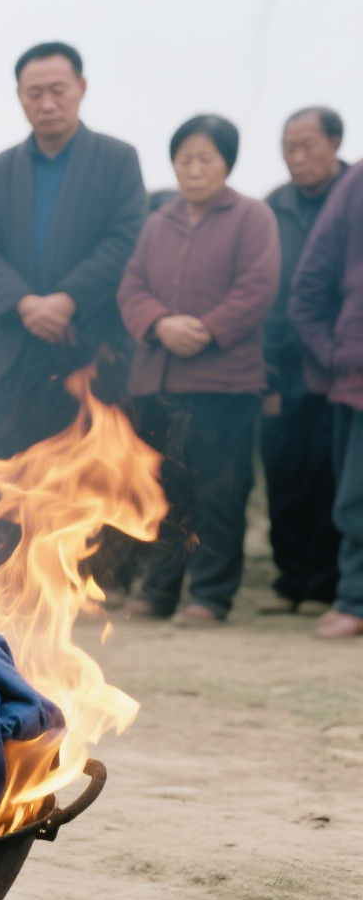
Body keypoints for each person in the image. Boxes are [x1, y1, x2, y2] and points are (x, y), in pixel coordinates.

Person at [118, 116, 280, 623]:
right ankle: (159, 589)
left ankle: (209, 596)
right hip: (158, 380)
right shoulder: (157, 222)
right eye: (184, 159)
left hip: (223, 382)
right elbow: (132, 287)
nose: (194, 169)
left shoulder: (252, 216)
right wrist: (160, 323)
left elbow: (258, 287)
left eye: (205, 158)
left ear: (226, 162)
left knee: (220, 492)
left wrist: (206, 330)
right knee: (163, 491)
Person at [0, 42, 146, 459]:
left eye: (58, 89)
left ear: (81, 87)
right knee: (12, 491)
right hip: (14, 353)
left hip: (92, 350)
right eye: (34, 92)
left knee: (94, 491)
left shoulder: (117, 159)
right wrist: (26, 304)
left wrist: (66, 300)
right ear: (19, 97)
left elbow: (126, 239)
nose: (47, 103)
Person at [261, 107, 347, 614]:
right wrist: (267, 375)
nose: (297, 158)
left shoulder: (353, 197)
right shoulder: (273, 207)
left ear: (335, 142)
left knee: (331, 474)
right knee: (283, 470)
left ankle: (325, 583)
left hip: (340, 364)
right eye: (288, 148)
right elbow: (266, 296)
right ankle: (289, 578)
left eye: (307, 146)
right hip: (285, 365)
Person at [290, 145, 363, 639]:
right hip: (360, 375)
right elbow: (310, 284)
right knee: (357, 496)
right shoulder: (356, 185)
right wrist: (341, 355)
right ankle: (357, 598)